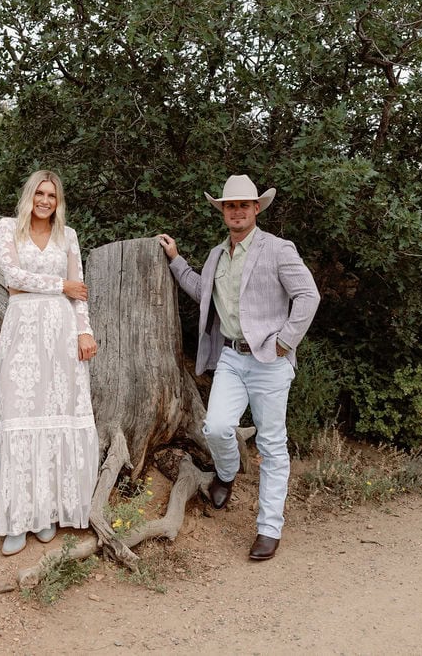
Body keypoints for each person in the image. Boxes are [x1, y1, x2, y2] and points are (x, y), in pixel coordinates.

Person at [157, 174, 319, 561]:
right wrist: (177, 261)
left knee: (272, 445)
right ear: (223, 211)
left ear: (257, 209)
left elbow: (308, 295)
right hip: (230, 356)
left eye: (244, 205)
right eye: (231, 205)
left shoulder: (278, 249)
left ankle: (268, 528)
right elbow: (202, 293)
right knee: (215, 427)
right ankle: (226, 475)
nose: (237, 211)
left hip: (270, 360)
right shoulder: (216, 255)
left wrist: (284, 341)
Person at [0, 170, 99, 556]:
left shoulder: (66, 236)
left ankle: (49, 513)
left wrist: (84, 332)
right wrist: (59, 285)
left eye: (51, 195)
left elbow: (79, 290)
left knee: (56, 416)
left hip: (60, 332)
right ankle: (17, 521)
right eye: (39, 193)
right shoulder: (8, 229)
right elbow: (11, 278)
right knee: (20, 416)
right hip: (22, 331)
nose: (45, 200)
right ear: (29, 196)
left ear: (58, 201)